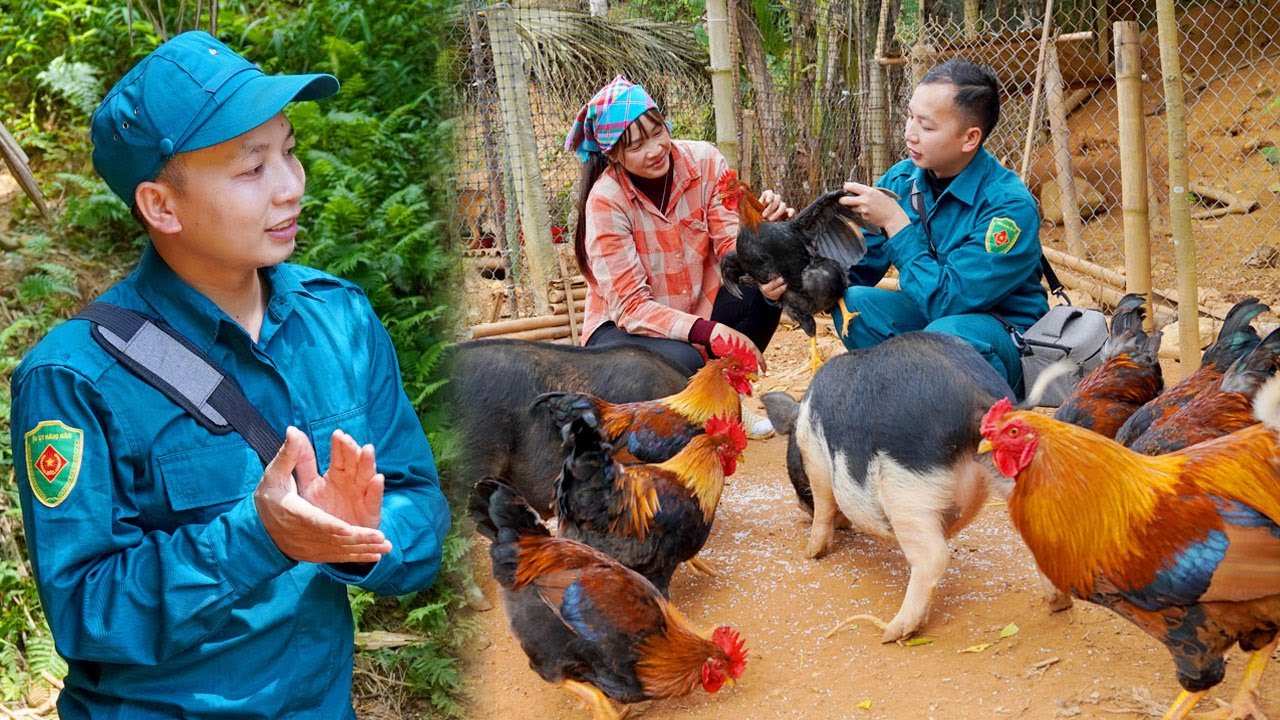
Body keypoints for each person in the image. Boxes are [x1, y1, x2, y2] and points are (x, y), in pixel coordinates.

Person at [9, 31, 450, 719]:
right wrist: (259, 538)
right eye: (252, 169)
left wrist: (358, 540)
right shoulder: (75, 378)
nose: (292, 186)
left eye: (290, 152)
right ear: (161, 206)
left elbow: (418, 501)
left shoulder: (338, 320)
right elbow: (86, 610)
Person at [835, 59, 1048, 394]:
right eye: (910, 117)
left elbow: (950, 301)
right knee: (855, 304)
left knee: (949, 335)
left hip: (1000, 337)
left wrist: (895, 222)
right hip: (935, 323)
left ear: (969, 138)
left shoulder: (1008, 207)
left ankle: (970, 412)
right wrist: (790, 266)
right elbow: (854, 271)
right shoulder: (901, 180)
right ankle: (907, 399)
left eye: (927, 126)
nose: (910, 133)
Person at [564, 75, 794, 380]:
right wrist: (710, 332)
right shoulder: (606, 200)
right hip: (623, 328)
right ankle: (687, 400)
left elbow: (730, 247)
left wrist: (768, 237)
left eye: (657, 131)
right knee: (685, 359)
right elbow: (631, 307)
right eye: (636, 146)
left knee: (762, 296)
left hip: (696, 308)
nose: (655, 149)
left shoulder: (705, 161)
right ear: (614, 155)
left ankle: (723, 395)